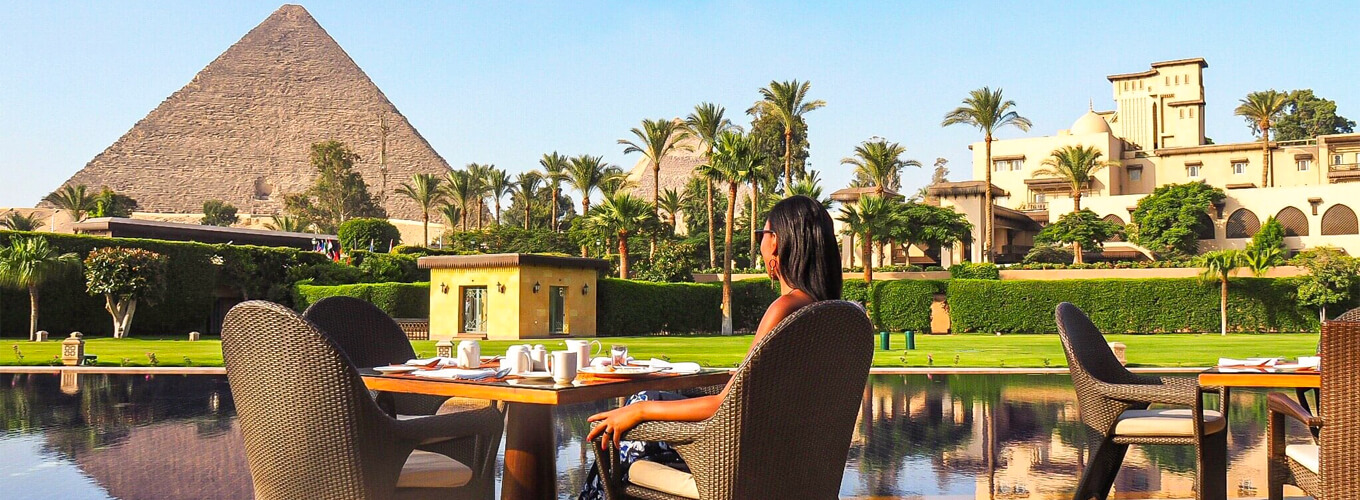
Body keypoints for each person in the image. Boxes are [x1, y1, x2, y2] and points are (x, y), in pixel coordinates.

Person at [578, 195, 842, 499]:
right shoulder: (830, 315)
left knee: (620, 431)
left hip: (737, 463)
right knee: (640, 412)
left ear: (777, 243)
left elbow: (726, 405)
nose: (759, 243)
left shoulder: (785, 309)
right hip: (787, 462)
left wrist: (639, 411)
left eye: (762, 234)